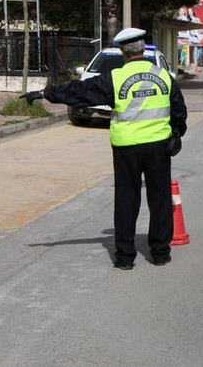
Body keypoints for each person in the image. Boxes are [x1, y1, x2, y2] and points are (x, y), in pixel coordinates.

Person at [21, 28, 188, 270]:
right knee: (160, 198)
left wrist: (45, 93)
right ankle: (160, 253)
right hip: (158, 147)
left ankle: (125, 258)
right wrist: (177, 133)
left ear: (123, 52)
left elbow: (79, 91)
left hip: (126, 148)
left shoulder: (114, 78)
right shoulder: (163, 75)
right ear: (143, 50)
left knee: (126, 200)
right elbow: (179, 110)